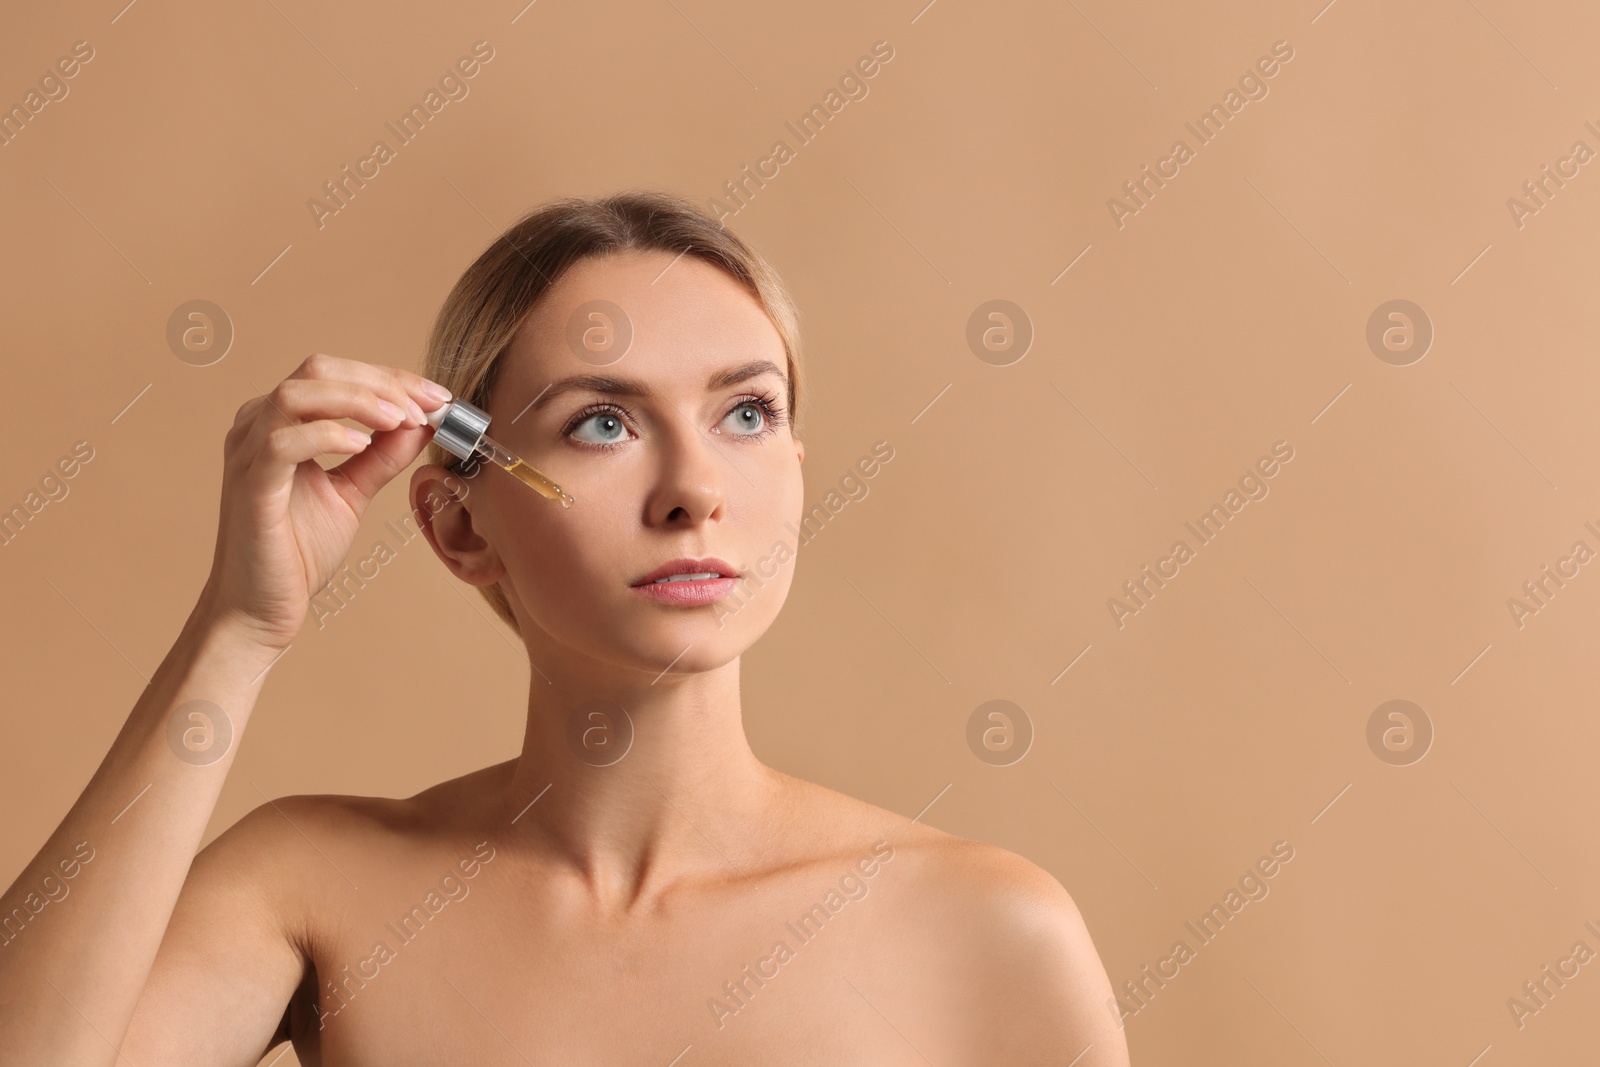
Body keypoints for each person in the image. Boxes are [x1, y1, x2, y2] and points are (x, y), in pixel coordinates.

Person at [0, 191, 1129, 1066]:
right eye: (602, 421)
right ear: (457, 526)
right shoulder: (313, 884)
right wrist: (238, 627)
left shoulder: (985, 925)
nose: (694, 489)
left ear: (795, 470)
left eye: (746, 411)